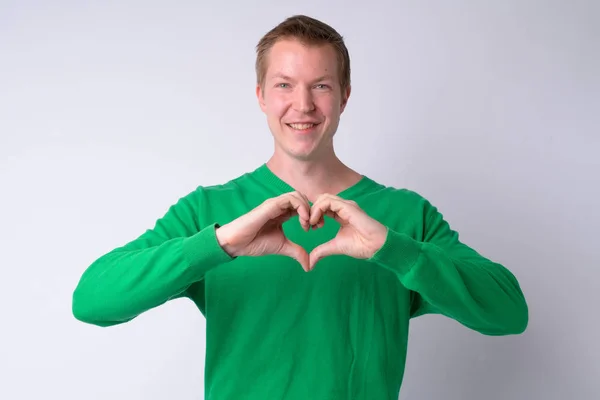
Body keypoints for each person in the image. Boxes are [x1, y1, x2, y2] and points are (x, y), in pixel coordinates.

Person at [72, 14, 528, 400]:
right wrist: (221, 243)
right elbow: (93, 301)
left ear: (344, 95)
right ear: (261, 96)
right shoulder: (209, 210)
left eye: (321, 85)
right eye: (285, 84)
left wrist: (394, 249)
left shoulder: (405, 216)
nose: (303, 104)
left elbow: (509, 313)